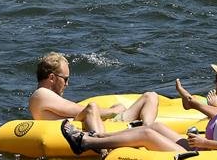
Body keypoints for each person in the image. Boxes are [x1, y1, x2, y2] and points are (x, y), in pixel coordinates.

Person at [60, 58, 217, 158]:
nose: (215, 83)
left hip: (206, 157)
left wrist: (205, 143)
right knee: (154, 127)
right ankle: (98, 138)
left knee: (146, 133)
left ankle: (85, 143)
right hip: (205, 151)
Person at [28, 52, 159, 134]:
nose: (67, 84)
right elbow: (77, 110)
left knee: (150, 96)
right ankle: (146, 131)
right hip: (100, 127)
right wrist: (113, 110)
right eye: (65, 79)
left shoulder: (43, 97)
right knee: (93, 107)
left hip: (97, 124)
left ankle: (147, 128)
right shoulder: (41, 94)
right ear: (51, 78)